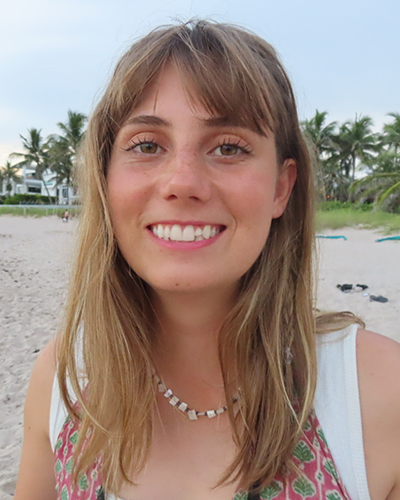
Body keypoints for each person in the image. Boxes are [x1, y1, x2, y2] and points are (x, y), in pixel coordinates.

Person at [15, 20, 400, 500]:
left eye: (228, 148)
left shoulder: (376, 393)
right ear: (106, 178)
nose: (183, 181)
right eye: (148, 145)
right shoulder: (65, 381)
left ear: (281, 187)